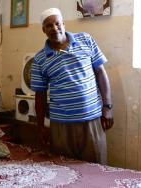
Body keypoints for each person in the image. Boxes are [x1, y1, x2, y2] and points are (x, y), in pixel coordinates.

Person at [30, 8, 114, 164]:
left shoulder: (86, 40)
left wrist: (107, 107)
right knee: (65, 170)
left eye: (57, 23)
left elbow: (101, 73)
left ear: (63, 23)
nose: (54, 28)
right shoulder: (40, 59)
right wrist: (40, 127)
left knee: (96, 170)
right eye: (49, 26)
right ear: (43, 30)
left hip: (92, 120)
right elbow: (39, 95)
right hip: (61, 125)